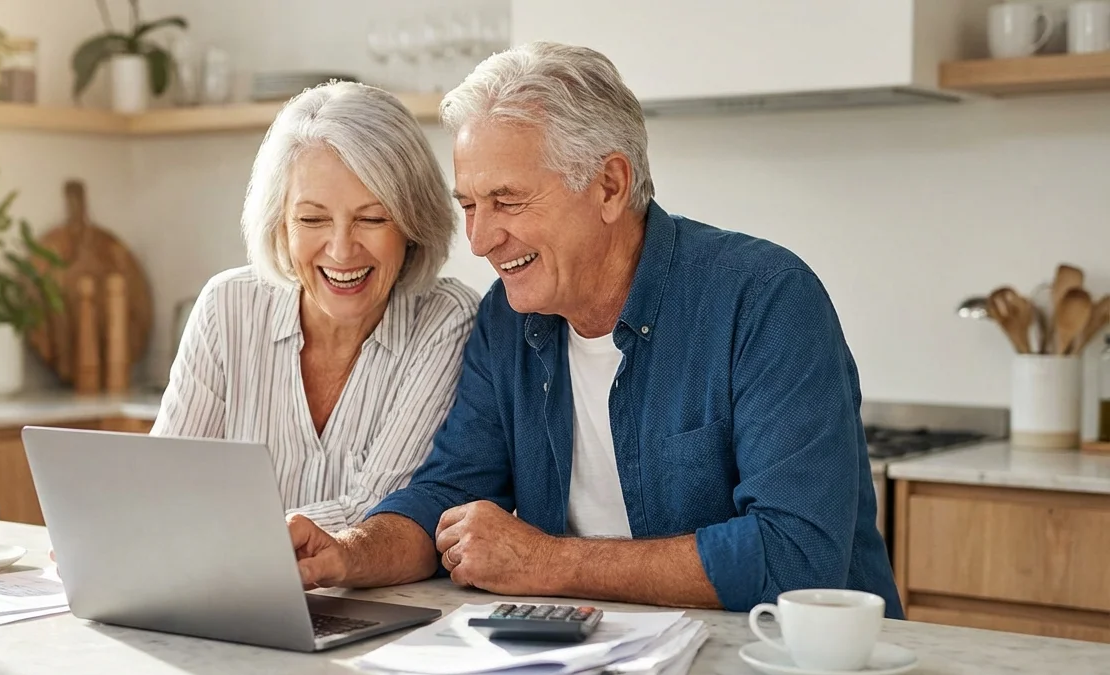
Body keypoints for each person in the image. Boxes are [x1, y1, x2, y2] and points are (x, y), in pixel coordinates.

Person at [288, 43, 903, 618]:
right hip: (600, 662)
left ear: (610, 186)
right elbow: (445, 495)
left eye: (507, 201)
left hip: (799, 673)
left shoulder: (764, 298)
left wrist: (547, 561)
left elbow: (796, 558)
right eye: (470, 205)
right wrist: (347, 553)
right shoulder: (506, 319)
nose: (479, 242)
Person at [150, 82, 479, 533]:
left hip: (369, 597)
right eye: (312, 219)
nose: (342, 251)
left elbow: (380, 509)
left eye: (372, 218)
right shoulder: (225, 306)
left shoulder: (446, 320)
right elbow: (165, 483)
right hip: (224, 587)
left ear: (413, 224)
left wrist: (234, 534)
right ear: (280, 225)